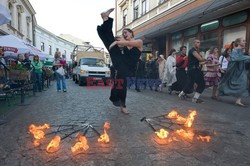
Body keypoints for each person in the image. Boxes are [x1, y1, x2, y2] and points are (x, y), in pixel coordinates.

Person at [97, 8, 142, 114]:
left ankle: (121, 104)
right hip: (121, 63)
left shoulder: (139, 42)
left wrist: (117, 42)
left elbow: (128, 44)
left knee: (121, 85)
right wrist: (116, 41)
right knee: (108, 39)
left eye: (126, 32)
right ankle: (105, 19)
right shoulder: (123, 42)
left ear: (131, 33)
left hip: (129, 68)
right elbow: (119, 42)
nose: (124, 34)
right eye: (123, 33)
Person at [218, 38, 250, 107]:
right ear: (238, 43)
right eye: (243, 41)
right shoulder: (235, 51)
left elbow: (242, 60)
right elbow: (236, 58)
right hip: (236, 71)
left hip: (241, 70)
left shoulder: (240, 51)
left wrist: (247, 59)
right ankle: (221, 90)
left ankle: (238, 101)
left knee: (243, 84)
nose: (245, 42)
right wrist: (248, 58)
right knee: (238, 84)